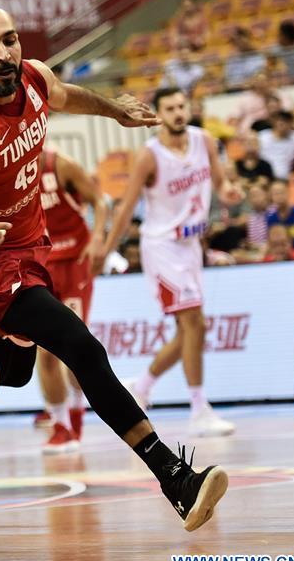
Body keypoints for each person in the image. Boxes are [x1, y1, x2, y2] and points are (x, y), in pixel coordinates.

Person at [0, 7, 229, 534]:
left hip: (29, 247)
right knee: (81, 346)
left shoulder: (34, 77)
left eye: (10, 40)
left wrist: (114, 113)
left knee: (12, 373)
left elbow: (65, 95)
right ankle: (175, 478)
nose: (5, 53)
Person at [104, 87, 242, 437]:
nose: (178, 112)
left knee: (191, 331)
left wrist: (228, 194)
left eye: (182, 106)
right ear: (159, 114)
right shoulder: (149, 156)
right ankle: (199, 409)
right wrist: (106, 249)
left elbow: (222, 184)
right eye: (170, 108)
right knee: (194, 322)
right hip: (162, 246)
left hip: (192, 244)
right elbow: (125, 207)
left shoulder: (204, 141)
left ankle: (142, 387)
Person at [34, 148, 109, 453]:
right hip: (42, 266)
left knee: (76, 346)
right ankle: (59, 422)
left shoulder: (60, 165)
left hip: (76, 261)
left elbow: (99, 202)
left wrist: (98, 238)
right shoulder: (8, 175)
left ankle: (77, 409)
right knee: (45, 351)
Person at [257, 111, 294, 179]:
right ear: (274, 121)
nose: (281, 123)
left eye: (285, 121)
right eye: (279, 120)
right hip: (262, 176)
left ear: (291, 123)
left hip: (283, 178)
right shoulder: (262, 136)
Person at [266, 179, 294, 245]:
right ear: (271, 197)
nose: (279, 196)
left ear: (288, 193)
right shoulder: (271, 219)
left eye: (282, 192)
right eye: (275, 194)